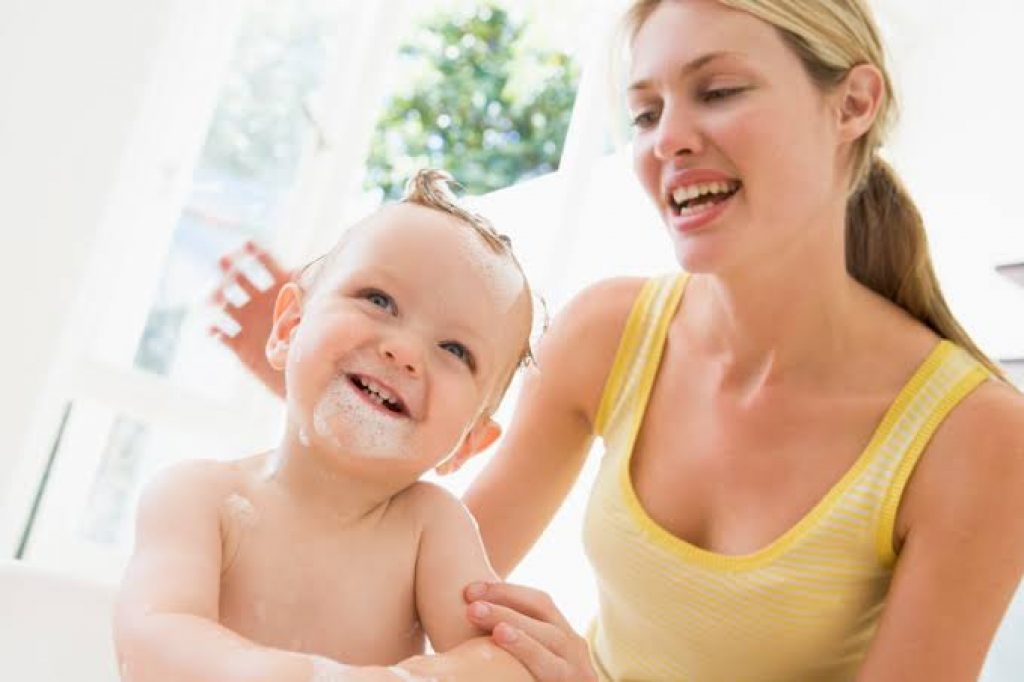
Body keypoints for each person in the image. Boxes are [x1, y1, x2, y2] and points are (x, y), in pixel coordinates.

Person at [213, 1, 1024, 680]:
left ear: (852, 105)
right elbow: (423, 582)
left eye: (719, 90)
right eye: (645, 111)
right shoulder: (609, 334)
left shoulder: (977, 437)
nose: (668, 139)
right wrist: (328, 393)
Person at [116, 169, 537, 682]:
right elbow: (154, 640)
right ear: (289, 327)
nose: (403, 351)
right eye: (379, 300)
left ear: (468, 442)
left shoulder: (430, 528)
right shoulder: (199, 497)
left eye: (454, 350)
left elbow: (504, 664)